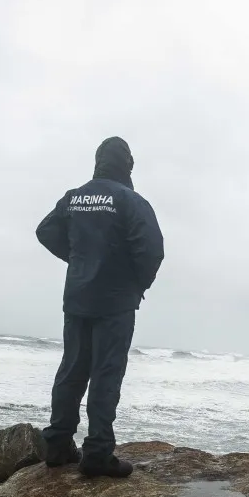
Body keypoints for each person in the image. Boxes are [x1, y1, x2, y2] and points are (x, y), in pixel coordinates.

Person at [35, 136, 164, 478]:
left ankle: (58, 445)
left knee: (72, 370)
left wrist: (80, 261)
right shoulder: (129, 200)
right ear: (127, 165)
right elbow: (151, 250)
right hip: (115, 302)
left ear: (98, 162)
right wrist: (136, 283)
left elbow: (45, 231)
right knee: (106, 375)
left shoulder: (74, 198)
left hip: (77, 297)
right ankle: (97, 454)